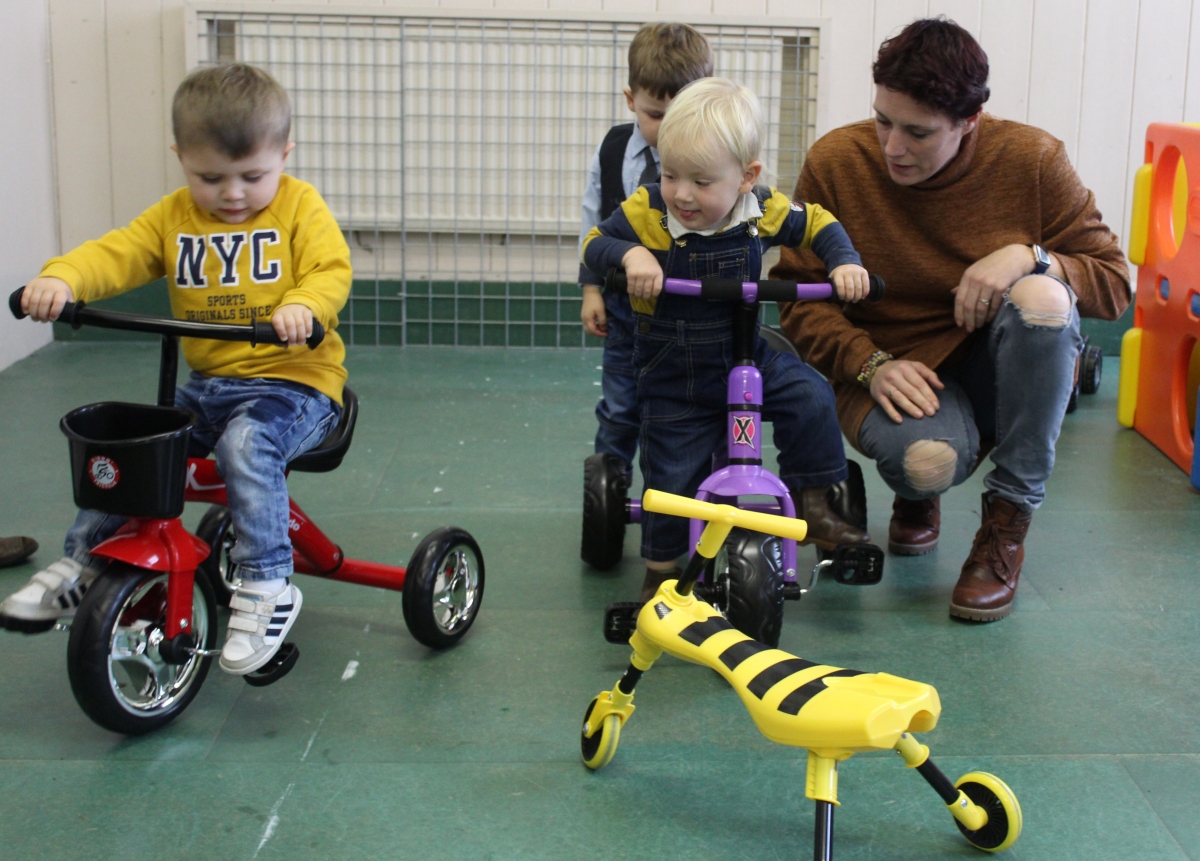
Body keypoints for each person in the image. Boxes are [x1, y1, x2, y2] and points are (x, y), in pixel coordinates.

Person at [772, 18, 1130, 622]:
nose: (892, 146)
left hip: (996, 363)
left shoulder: (1034, 161)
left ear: (970, 122)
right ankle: (917, 495)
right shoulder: (836, 161)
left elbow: (1115, 285)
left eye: (918, 132)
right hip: (896, 368)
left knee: (1044, 298)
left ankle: (1004, 529)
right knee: (924, 464)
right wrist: (870, 364)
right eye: (884, 120)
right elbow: (800, 298)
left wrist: (1029, 256)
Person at [0, 64, 352, 673]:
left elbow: (330, 269)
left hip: (295, 385)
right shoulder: (173, 217)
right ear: (180, 157)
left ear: (284, 155)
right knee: (139, 446)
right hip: (207, 387)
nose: (233, 192)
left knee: (248, 444)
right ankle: (83, 561)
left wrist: (303, 304)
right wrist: (63, 278)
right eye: (210, 176)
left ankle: (268, 582)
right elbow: (117, 253)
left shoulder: (299, 207)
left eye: (253, 176)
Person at [583, 77, 873, 600]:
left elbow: (820, 224)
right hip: (673, 374)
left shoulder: (761, 210)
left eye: (701, 181)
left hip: (747, 354)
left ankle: (813, 500)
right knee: (671, 480)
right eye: (670, 175)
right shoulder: (648, 212)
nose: (682, 194)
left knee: (810, 393)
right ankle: (663, 570)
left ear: (747, 177)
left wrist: (844, 261)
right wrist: (631, 256)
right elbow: (595, 242)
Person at [579, 22, 713, 481]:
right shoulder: (613, 148)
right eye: (657, 115)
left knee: (688, 413)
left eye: (682, 116)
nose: (667, 130)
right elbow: (593, 222)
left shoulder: (716, 156)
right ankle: (609, 493)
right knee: (619, 410)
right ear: (631, 98)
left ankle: (692, 498)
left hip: (693, 316)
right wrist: (591, 289)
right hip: (625, 312)